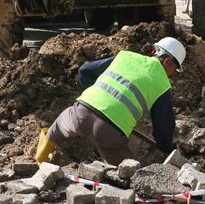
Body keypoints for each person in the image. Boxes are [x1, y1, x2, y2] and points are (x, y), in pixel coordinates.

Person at [34, 37, 186, 165]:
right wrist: (167, 148)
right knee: (129, 173)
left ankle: (40, 160)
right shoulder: (162, 84)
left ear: (154, 51)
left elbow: (84, 71)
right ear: (167, 62)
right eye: (175, 70)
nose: (173, 75)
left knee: (55, 131)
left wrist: (92, 98)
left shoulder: (126, 56)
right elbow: (163, 129)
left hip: (79, 113)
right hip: (108, 132)